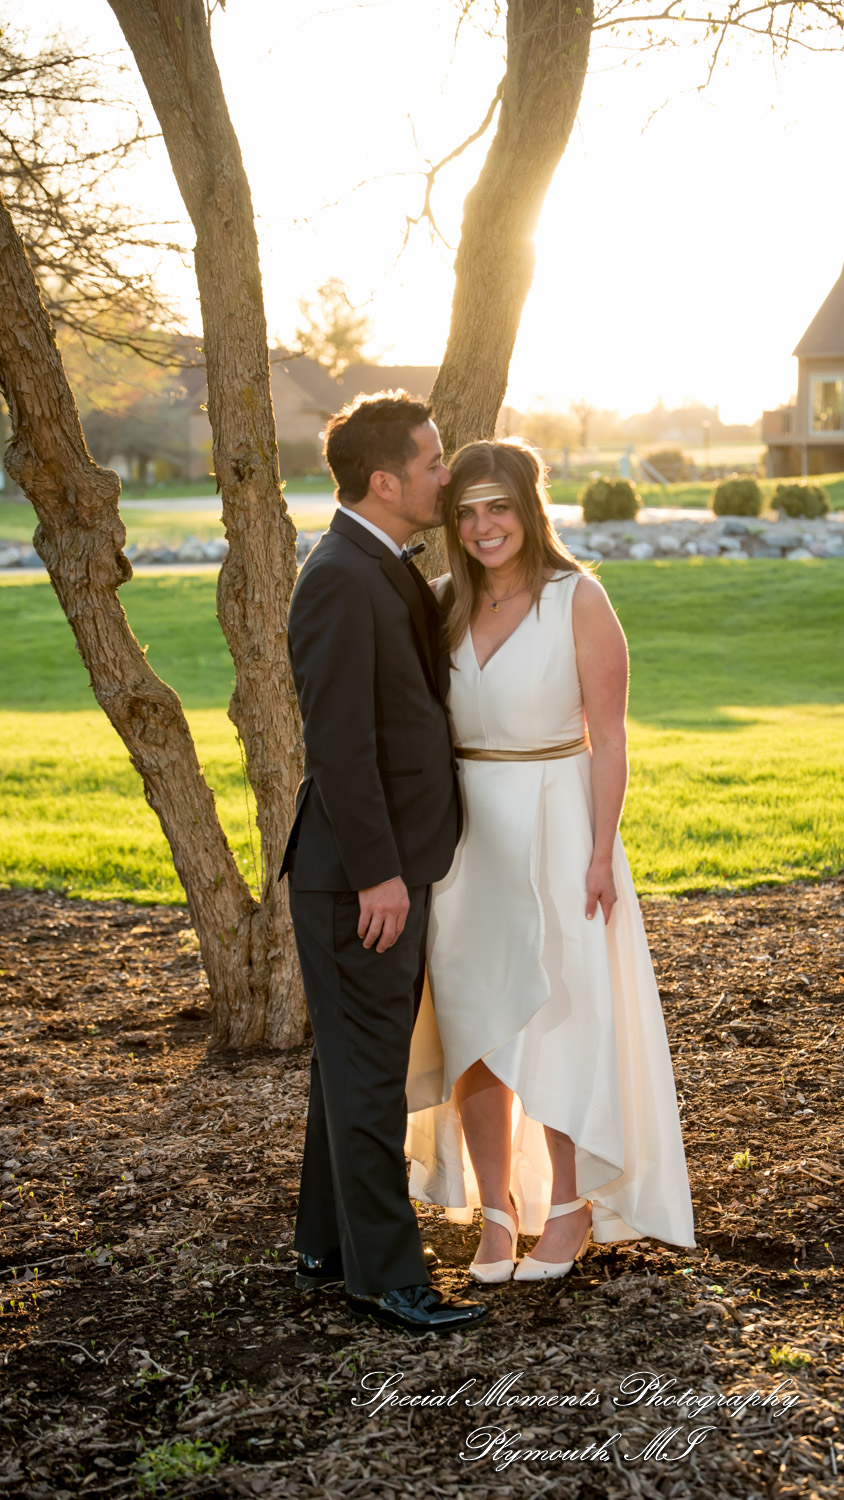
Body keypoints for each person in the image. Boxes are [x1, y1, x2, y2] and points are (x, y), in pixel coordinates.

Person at [406, 438, 695, 1282]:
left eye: (497, 506)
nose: (482, 525)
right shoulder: (440, 603)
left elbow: (610, 739)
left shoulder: (578, 598)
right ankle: (496, 1216)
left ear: (530, 508)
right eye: (465, 511)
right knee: (472, 1027)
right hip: (465, 838)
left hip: (562, 824)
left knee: (559, 1019)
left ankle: (568, 1209)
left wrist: (600, 854)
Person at [280, 391, 487, 1334]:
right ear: (386, 480)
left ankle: (327, 1245)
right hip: (358, 879)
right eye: (436, 463)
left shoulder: (381, 562)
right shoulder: (336, 577)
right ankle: (387, 1277)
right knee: (369, 1078)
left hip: (385, 865)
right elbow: (340, 745)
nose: (447, 477)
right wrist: (377, 874)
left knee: (350, 1066)